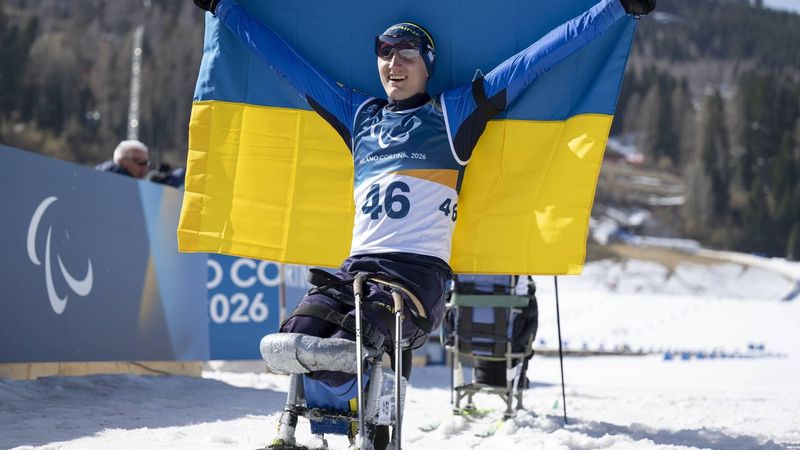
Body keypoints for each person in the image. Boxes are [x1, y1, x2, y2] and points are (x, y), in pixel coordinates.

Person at [193, 0, 654, 389]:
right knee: (292, 341)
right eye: (386, 53)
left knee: (356, 342)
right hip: (357, 269)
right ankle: (322, 420)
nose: (394, 64)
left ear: (427, 65)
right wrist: (224, 7)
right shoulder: (359, 115)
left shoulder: (452, 113)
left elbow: (537, 58)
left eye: (407, 54)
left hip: (417, 277)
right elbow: (288, 63)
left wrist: (615, 7)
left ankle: (378, 407)